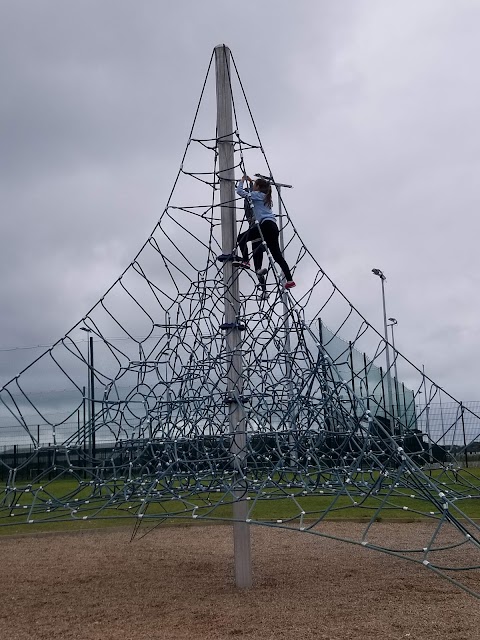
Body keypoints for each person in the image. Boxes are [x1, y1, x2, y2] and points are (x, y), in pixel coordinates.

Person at [235, 175, 296, 289]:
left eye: (254, 185)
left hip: (265, 225)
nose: (253, 187)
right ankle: (290, 280)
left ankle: (245, 260)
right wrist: (250, 182)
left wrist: (242, 181)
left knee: (241, 238)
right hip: (273, 227)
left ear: (257, 187)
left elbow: (240, 192)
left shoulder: (258, 195)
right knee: (277, 256)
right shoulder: (266, 197)